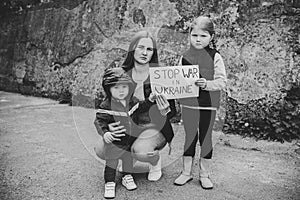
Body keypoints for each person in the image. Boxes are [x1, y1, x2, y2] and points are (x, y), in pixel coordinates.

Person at [94, 31, 176, 182]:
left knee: (141, 151)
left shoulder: (160, 74)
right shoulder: (121, 73)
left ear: (153, 53)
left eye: (149, 49)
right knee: (101, 149)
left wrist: (165, 111)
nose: (144, 53)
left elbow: (172, 112)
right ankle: (129, 157)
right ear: (133, 49)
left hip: (153, 126)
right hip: (129, 126)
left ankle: (154, 161)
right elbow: (108, 105)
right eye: (140, 47)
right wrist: (109, 126)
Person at [173, 16, 227, 189]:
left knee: (205, 138)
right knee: (190, 137)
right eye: (194, 35)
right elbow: (176, 79)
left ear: (211, 37)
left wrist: (207, 84)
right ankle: (186, 173)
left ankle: (204, 174)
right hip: (189, 105)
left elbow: (222, 81)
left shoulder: (216, 57)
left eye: (203, 36)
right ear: (189, 35)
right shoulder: (184, 57)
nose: (198, 39)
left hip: (208, 105)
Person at [95, 67, 155, 199]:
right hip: (115, 141)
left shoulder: (132, 101)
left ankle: (127, 176)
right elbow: (99, 121)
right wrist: (105, 133)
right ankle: (109, 183)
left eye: (124, 87)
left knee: (128, 159)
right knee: (112, 162)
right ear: (108, 89)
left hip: (130, 139)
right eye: (116, 88)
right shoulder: (106, 106)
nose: (121, 91)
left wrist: (150, 100)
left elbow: (141, 107)